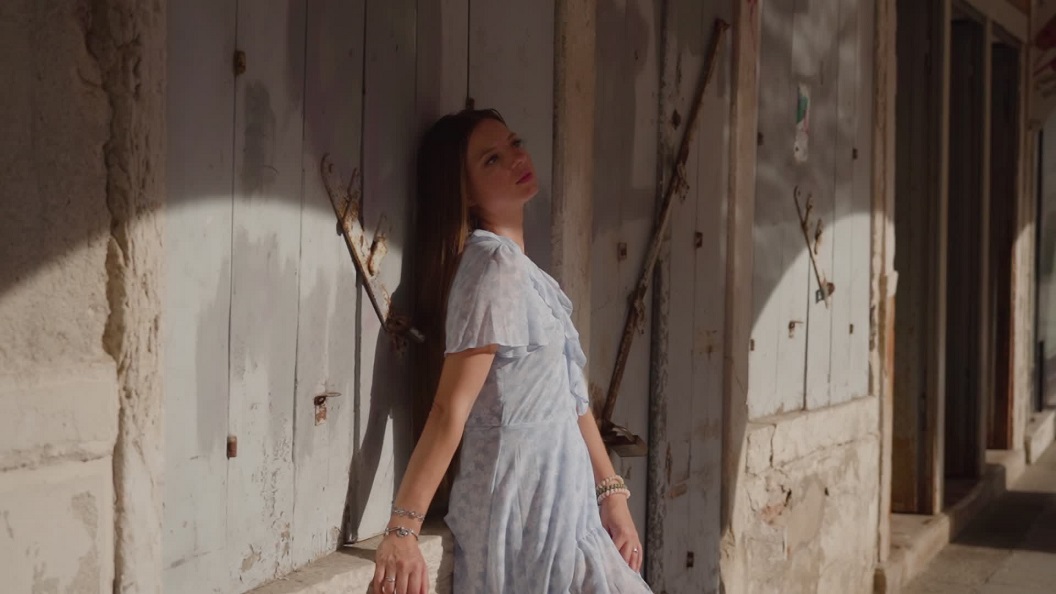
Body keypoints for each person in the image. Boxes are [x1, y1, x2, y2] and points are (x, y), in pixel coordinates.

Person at [372, 108, 653, 594]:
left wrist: (611, 491)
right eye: (491, 160)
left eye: (514, 143)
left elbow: (571, 398)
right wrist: (403, 531)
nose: (517, 158)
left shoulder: (525, 272)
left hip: (565, 510)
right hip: (527, 512)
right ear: (465, 194)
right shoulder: (492, 267)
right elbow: (450, 409)